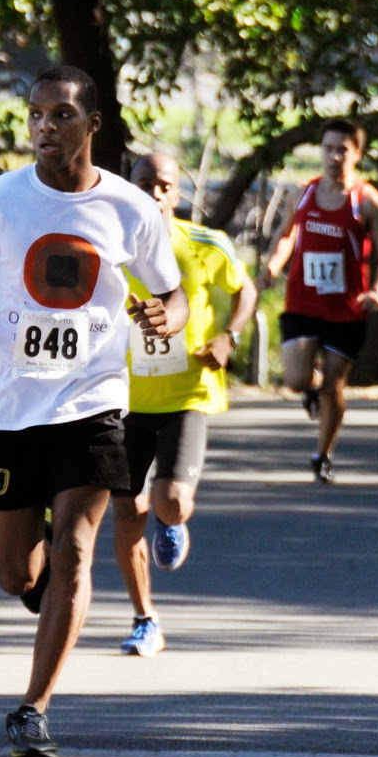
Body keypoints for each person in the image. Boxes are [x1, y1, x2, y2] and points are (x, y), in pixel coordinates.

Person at [0, 65, 188, 757]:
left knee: (76, 548)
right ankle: (46, 584)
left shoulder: (129, 207)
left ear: (93, 125)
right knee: (17, 575)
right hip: (10, 406)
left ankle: (32, 709)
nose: (45, 127)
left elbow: (173, 294)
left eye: (62, 116)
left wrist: (165, 318)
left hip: (93, 401)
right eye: (36, 115)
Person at [114, 153, 257, 657]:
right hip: (121, 400)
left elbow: (246, 291)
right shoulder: (106, 246)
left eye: (164, 185)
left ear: (177, 194)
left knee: (169, 499)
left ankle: (172, 521)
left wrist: (229, 337)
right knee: (127, 509)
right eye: (144, 183)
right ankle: (144, 619)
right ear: (128, 187)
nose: (154, 193)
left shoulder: (206, 244)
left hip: (187, 394)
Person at [260, 118, 378, 483]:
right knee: (295, 381)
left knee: (335, 386)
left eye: (342, 150)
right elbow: (285, 235)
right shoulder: (303, 194)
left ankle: (322, 454)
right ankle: (311, 384)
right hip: (303, 303)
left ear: (357, 154)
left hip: (346, 310)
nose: (334, 156)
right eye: (328, 149)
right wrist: (272, 267)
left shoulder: (367, 201)